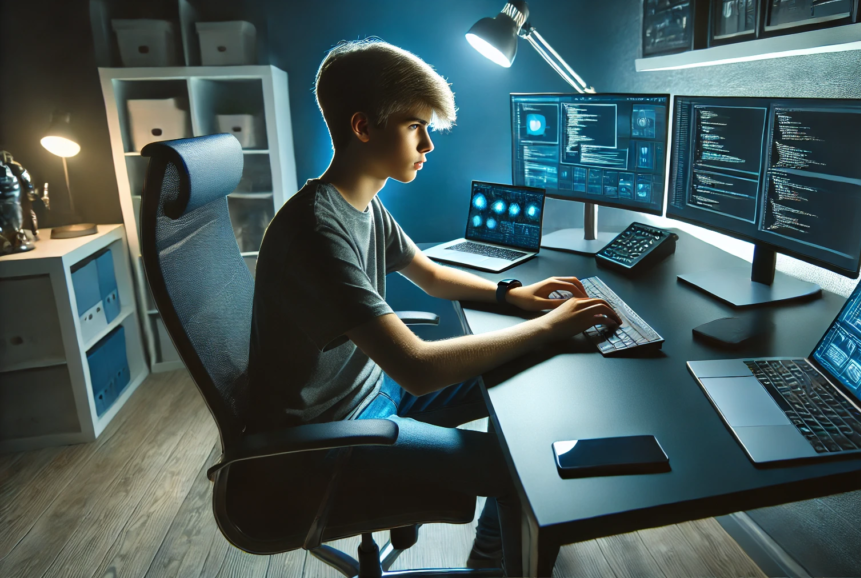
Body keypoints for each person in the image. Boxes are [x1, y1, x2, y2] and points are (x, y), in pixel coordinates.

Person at [245, 38, 620, 575]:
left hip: (369, 392)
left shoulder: (359, 203)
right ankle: (491, 567)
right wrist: (548, 329)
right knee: (521, 468)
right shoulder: (316, 233)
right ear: (363, 127)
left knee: (515, 373)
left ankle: (495, 554)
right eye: (415, 126)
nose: (428, 144)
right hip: (326, 440)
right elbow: (417, 369)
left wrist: (512, 296)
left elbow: (430, 274)